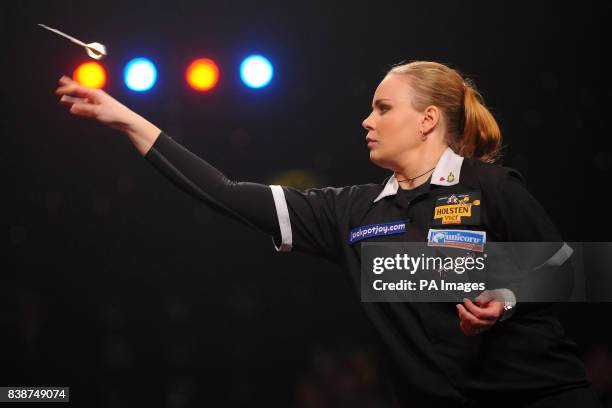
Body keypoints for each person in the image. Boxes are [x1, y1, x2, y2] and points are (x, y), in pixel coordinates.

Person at [55, 60, 603, 407]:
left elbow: (574, 269)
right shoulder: (353, 213)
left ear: (428, 119)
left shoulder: (490, 186)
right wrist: (128, 119)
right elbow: (224, 192)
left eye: (383, 108)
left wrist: (504, 296)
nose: (367, 120)